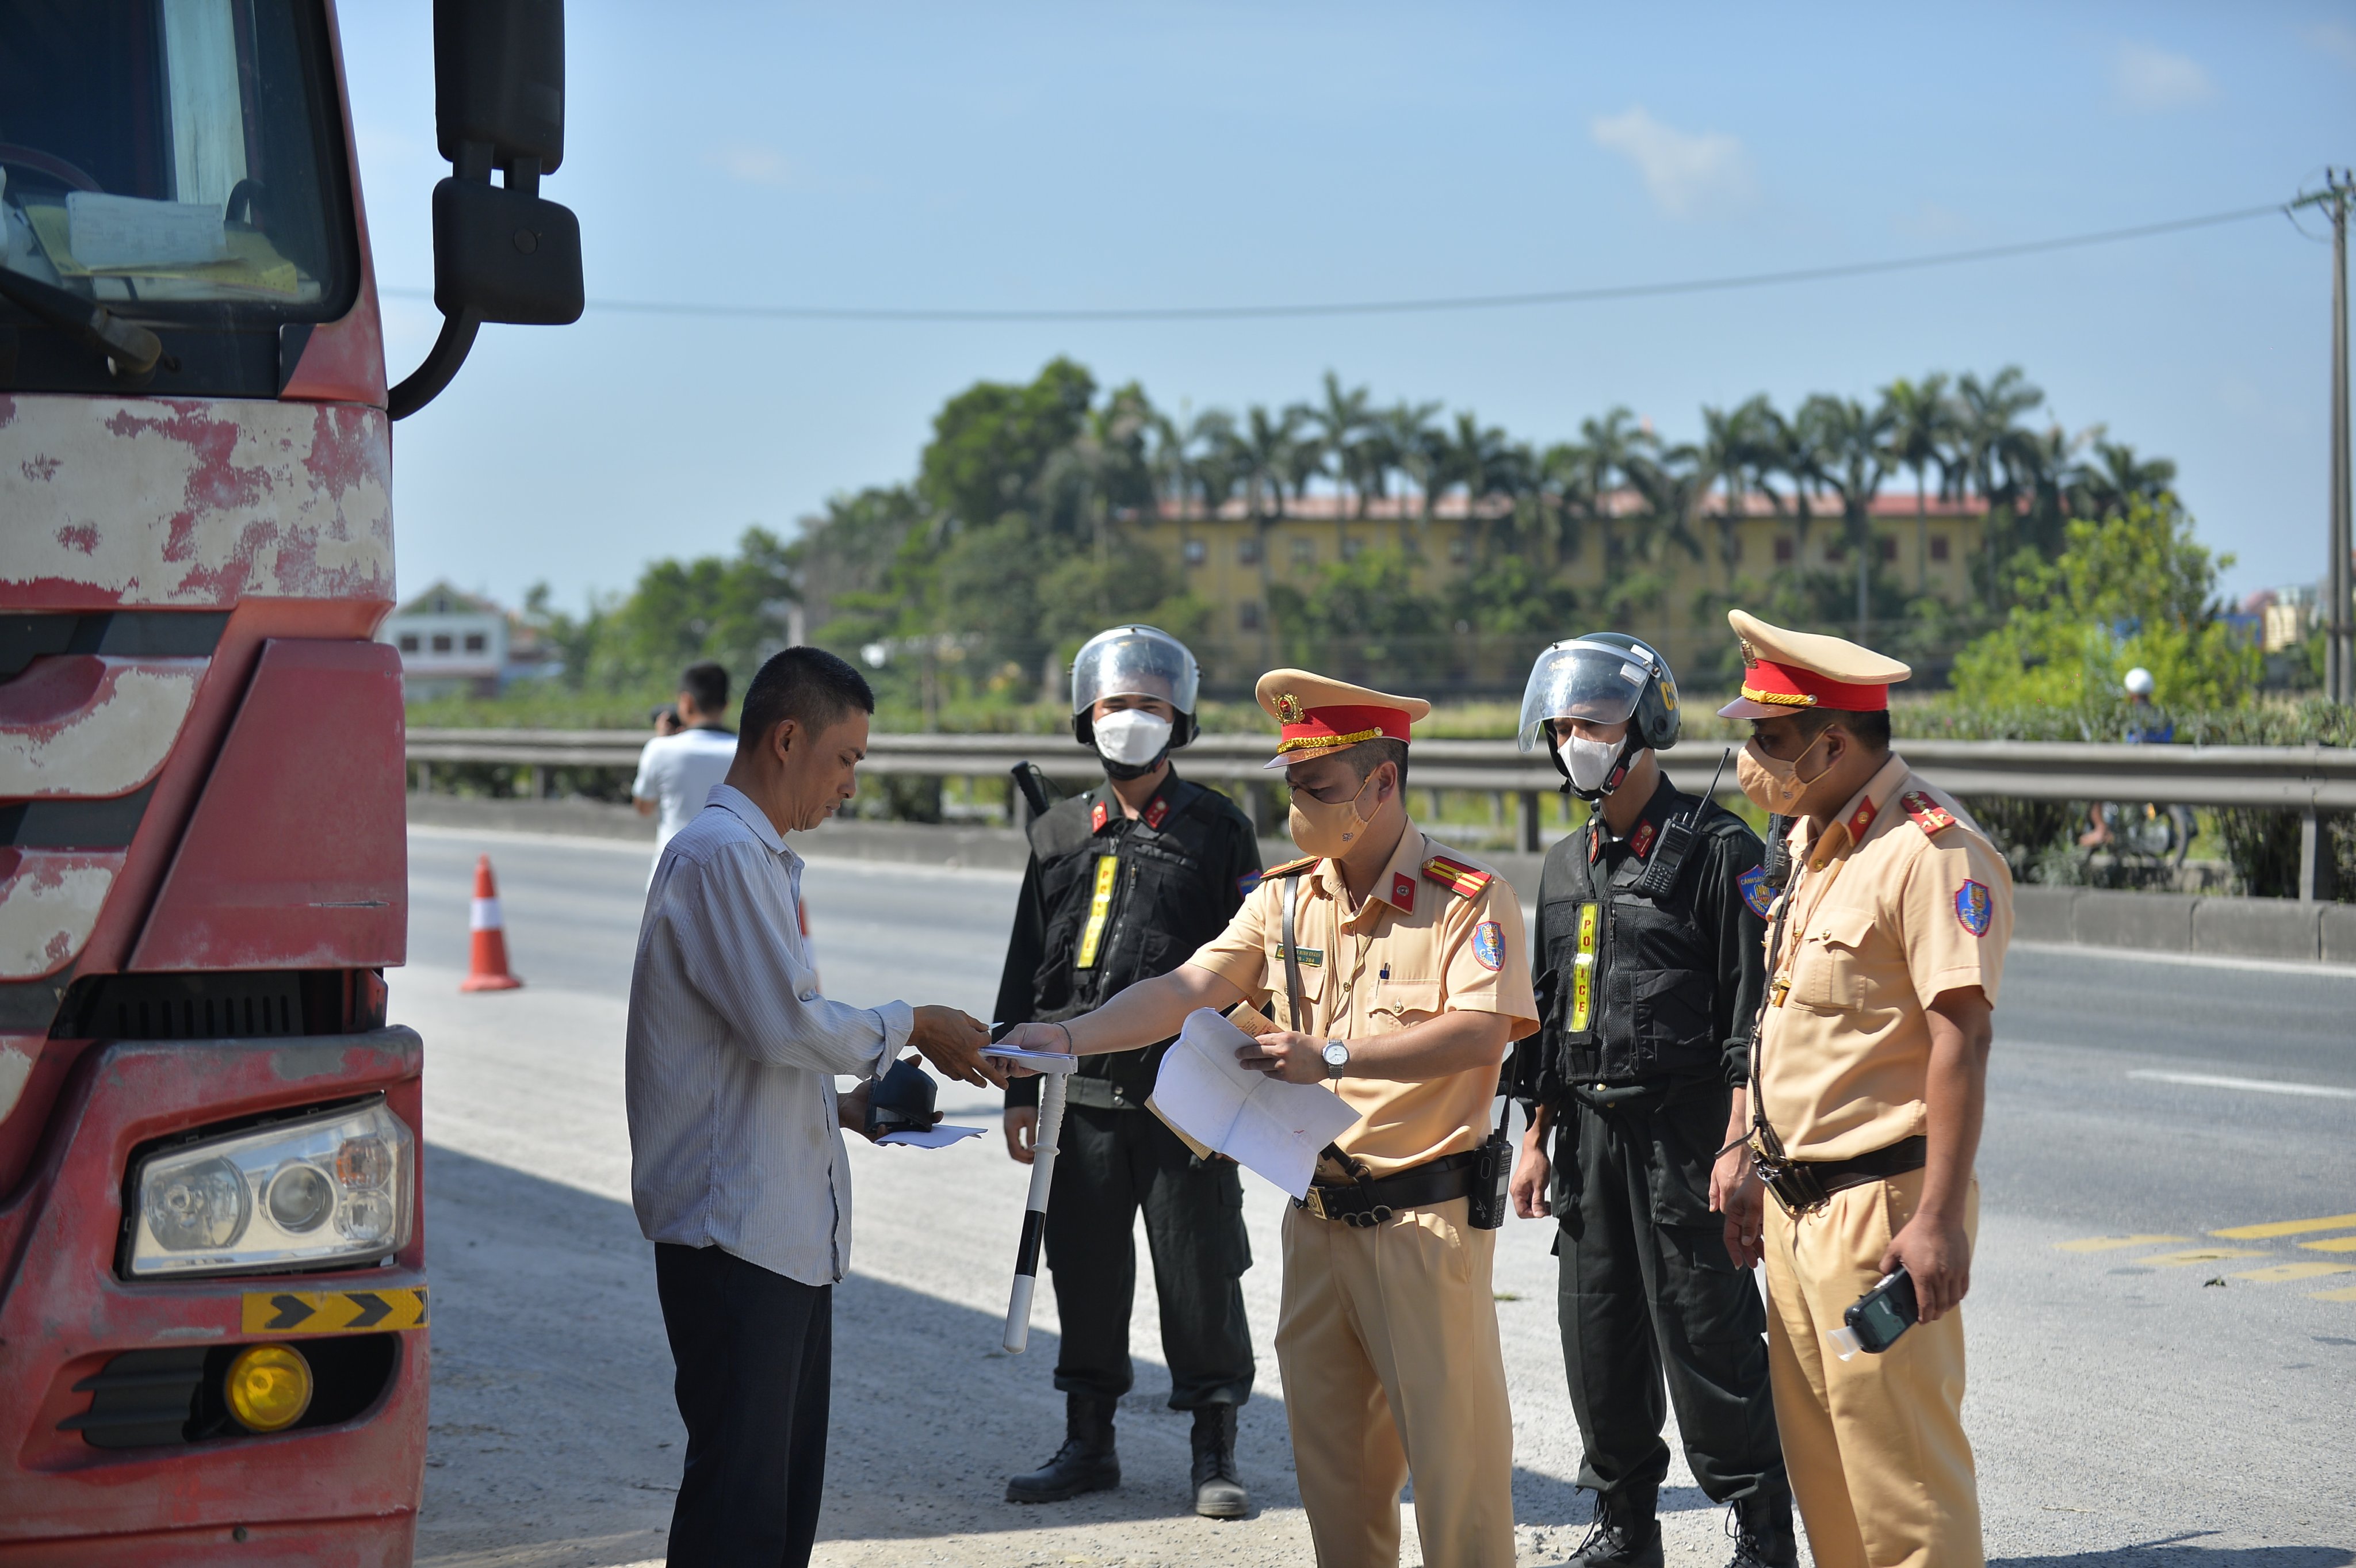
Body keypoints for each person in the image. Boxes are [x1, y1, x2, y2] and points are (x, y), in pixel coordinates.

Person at [999, 670, 1538, 1568]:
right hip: (1317, 1223)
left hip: (1423, 1226)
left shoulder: (1469, 897)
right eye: (1291, 786)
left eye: (1318, 789)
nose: (1299, 807)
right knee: (1337, 1483)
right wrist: (1064, 1033)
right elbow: (1186, 989)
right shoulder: (1285, 897)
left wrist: (1332, 1055)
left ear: (1382, 786)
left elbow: (1483, 1036)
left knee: (1458, 1483)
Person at [625, 646, 1006, 1567]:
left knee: (777, 1506)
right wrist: (913, 1021)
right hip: (735, 1240)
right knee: (740, 1512)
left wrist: (832, 1108)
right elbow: (781, 1023)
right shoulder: (720, 857)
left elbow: (740, 1053)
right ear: (787, 738)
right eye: (846, 760)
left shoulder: (755, 858)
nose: (849, 785)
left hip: (777, 1233)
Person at [1713, 610, 2012, 1568]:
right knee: (1831, 1482)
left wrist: (1936, 1220)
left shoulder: (1930, 849)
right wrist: (1749, 1151)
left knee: (1905, 1491)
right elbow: (1786, 1019)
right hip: (1799, 1216)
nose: (1752, 760)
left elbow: (1960, 1034)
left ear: (1833, 742)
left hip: (1879, 1213)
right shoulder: (1811, 840)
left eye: (1770, 740)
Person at [1505, 634, 1793, 1568]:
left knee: (1711, 1341)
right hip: (1587, 1139)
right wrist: (1537, 1135)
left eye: (1593, 723)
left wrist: (1739, 1141)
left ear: (1644, 729)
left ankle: (1760, 1527)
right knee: (1598, 1345)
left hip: (1684, 1135)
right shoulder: (1560, 864)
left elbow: (1750, 1011)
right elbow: (1550, 1016)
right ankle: (1626, 1527)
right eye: (1563, 727)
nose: (1575, 740)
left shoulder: (1718, 851)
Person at [993, 625, 1264, 1519]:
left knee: (1200, 1276)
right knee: (1085, 1269)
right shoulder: (1060, 829)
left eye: (1149, 705)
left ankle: (1214, 1449)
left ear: (1177, 716)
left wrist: (1239, 1094)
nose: (1131, 721)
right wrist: (1020, 1084)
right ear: (1087, 715)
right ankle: (1088, 1441)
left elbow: (1252, 968)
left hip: (1184, 1102)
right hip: (1080, 1100)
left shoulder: (1219, 829)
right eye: (1115, 705)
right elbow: (1027, 962)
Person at [634, 661, 739, 878]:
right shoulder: (745, 752)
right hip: (729, 878)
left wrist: (663, 741)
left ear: (686, 702)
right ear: (726, 705)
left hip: (671, 877)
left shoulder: (660, 749)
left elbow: (644, 807)